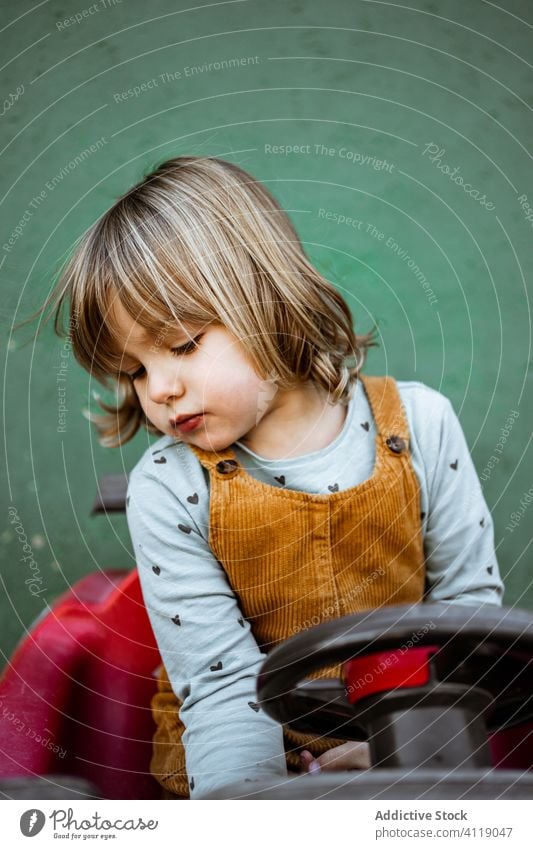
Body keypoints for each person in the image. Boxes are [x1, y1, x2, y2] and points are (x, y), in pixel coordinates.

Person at [31, 155, 504, 799]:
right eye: (135, 372)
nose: (161, 390)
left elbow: (468, 616)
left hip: (414, 750)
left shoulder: (422, 424)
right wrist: (261, 815)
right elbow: (222, 683)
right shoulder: (169, 488)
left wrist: (400, 757)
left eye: (181, 344)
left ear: (269, 300)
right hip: (251, 775)